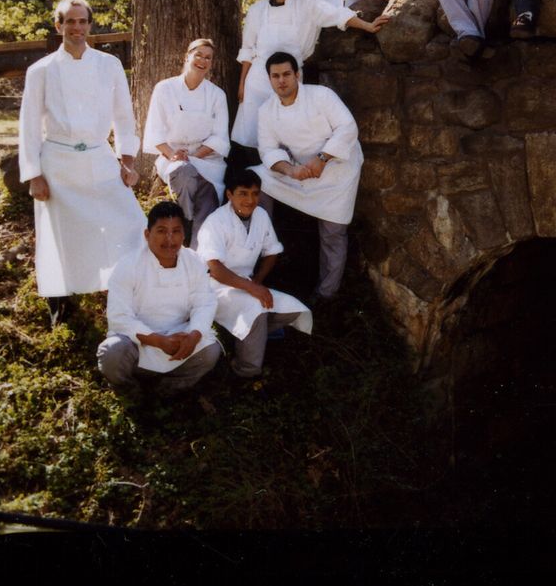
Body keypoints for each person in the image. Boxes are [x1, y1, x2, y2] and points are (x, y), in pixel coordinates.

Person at [18, 0, 146, 327]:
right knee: (60, 235)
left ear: (90, 25)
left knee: (129, 223)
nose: (76, 28)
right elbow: (29, 125)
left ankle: (126, 293)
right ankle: (61, 304)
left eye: (82, 21)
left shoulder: (109, 64)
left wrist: (127, 161)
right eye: (69, 21)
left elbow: (123, 116)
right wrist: (34, 175)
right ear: (58, 25)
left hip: (99, 155)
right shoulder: (41, 70)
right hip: (57, 163)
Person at [231, 0, 386, 148]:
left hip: (290, 80)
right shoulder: (257, 10)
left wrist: (368, 25)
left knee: (285, 136)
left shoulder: (308, 3)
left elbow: (336, 14)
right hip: (258, 82)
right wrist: (242, 84)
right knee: (250, 138)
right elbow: (247, 49)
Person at [253, 52, 363, 306]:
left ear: (297, 75)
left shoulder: (321, 96)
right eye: (275, 76)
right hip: (300, 172)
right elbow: (268, 150)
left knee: (333, 233)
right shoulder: (266, 111)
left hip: (338, 169)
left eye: (287, 74)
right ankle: (261, 251)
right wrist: (290, 170)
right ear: (269, 79)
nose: (282, 81)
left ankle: (326, 295)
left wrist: (322, 158)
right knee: (258, 179)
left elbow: (348, 128)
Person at [196, 168, 313, 379]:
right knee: (256, 311)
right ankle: (246, 370)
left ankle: (245, 337)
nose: (250, 200)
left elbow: (272, 251)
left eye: (255, 193)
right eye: (243, 193)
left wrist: (257, 282)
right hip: (215, 288)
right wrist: (252, 288)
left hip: (248, 285)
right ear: (229, 195)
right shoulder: (216, 222)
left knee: (294, 310)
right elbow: (214, 269)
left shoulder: (260, 215)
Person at [96, 201, 221, 396]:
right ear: (147, 235)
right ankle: (131, 391)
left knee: (211, 351)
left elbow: (204, 303)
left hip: (179, 337)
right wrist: (158, 340)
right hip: (138, 341)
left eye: (176, 231)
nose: (170, 239)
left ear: (184, 235)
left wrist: (193, 336)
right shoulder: (128, 265)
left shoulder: (194, 261)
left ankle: (164, 391)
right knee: (112, 352)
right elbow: (119, 318)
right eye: (162, 231)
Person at [142, 37, 229, 240]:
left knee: (208, 196)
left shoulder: (217, 95)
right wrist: (174, 155)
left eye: (208, 58)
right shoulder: (164, 89)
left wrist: (195, 156)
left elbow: (220, 137)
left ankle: (201, 250)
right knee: (184, 171)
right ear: (187, 56)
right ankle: (186, 221)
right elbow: (155, 131)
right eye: (198, 54)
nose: (203, 60)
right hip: (172, 158)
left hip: (207, 160)